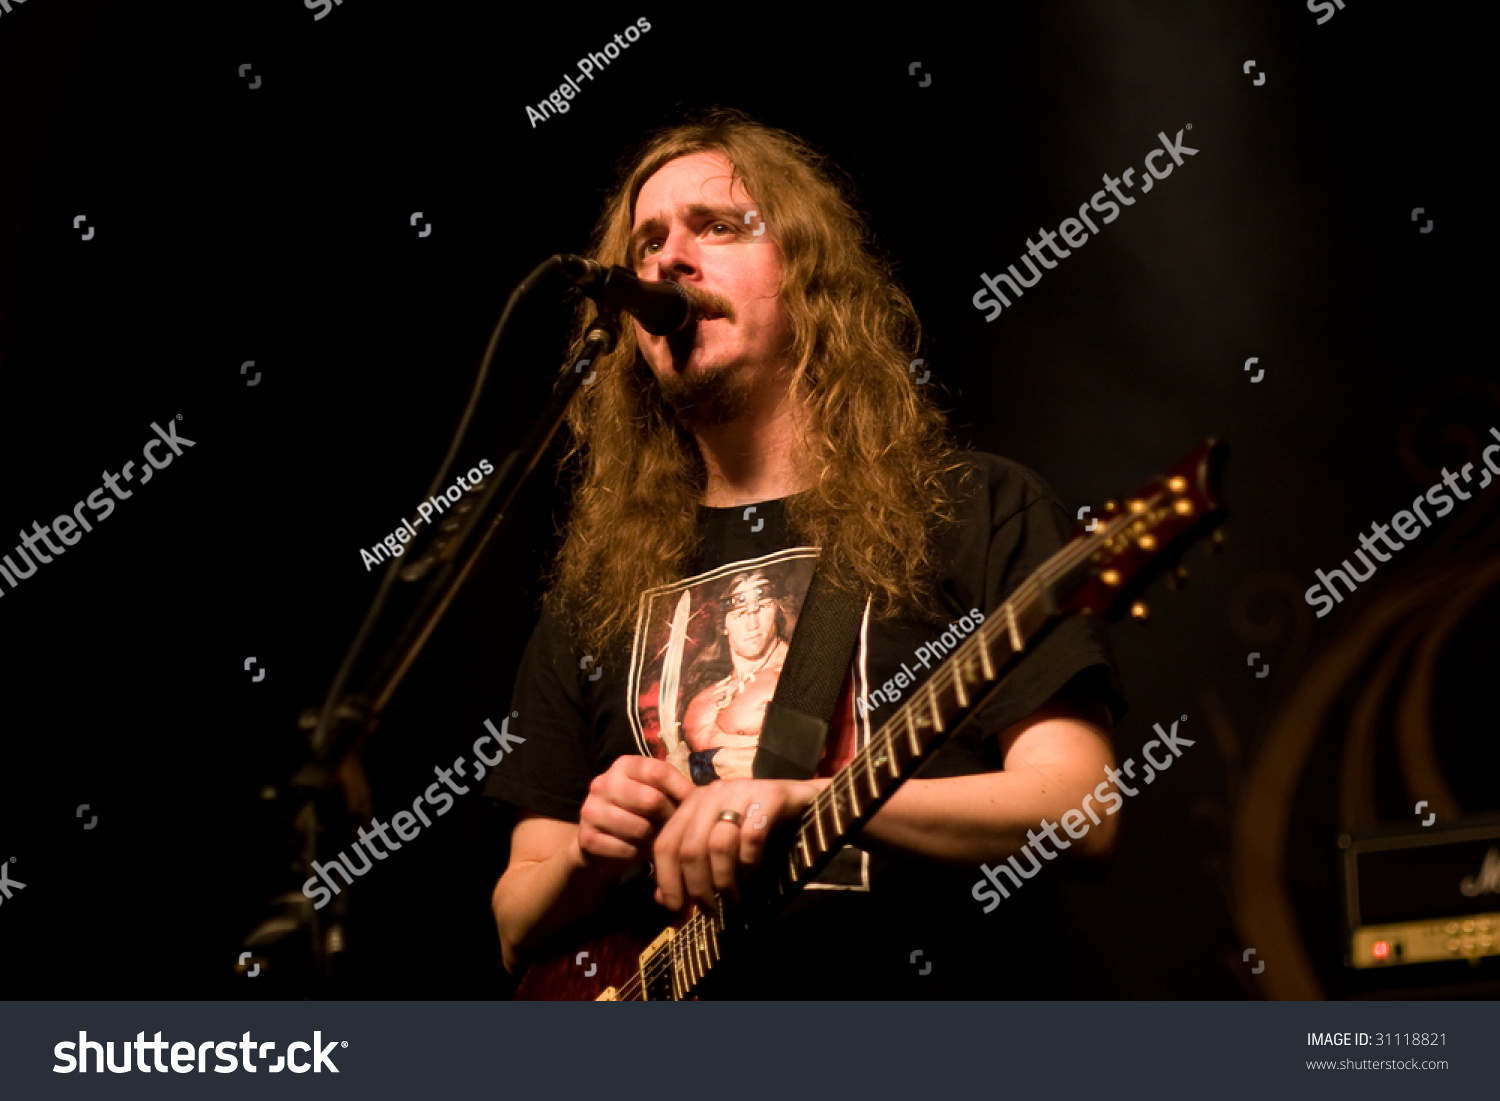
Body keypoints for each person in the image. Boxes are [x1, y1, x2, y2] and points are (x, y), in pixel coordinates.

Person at [485, 107, 1128, 998]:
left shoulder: (972, 507)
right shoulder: (598, 586)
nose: (668, 259)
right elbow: (516, 919)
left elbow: (1081, 808)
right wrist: (592, 856)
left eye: (718, 227)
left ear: (808, 277)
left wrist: (808, 803)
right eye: (647, 242)